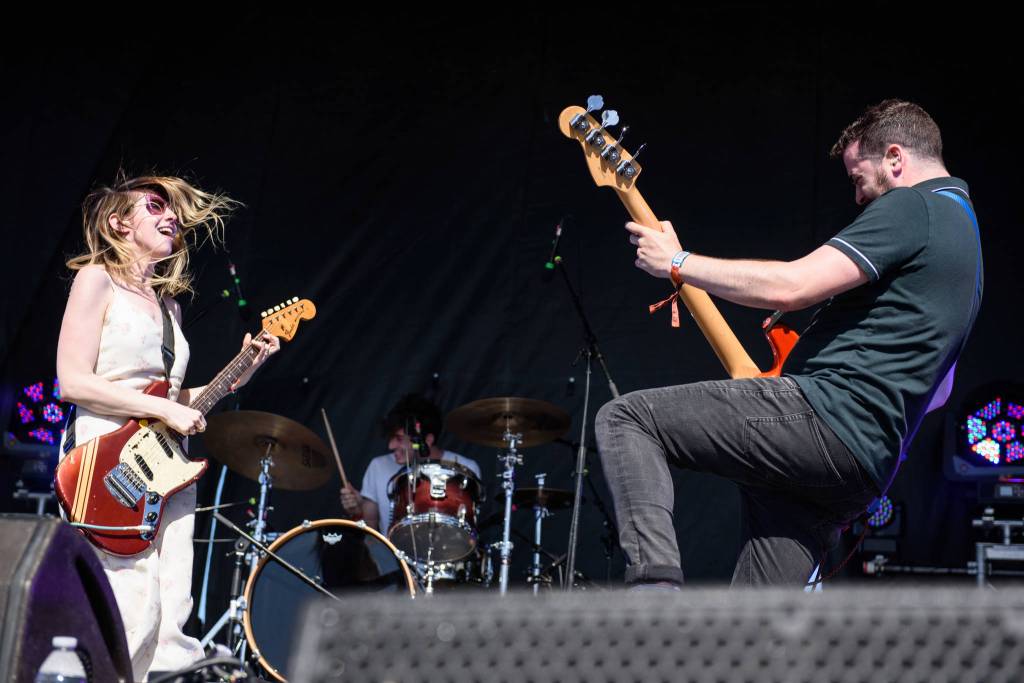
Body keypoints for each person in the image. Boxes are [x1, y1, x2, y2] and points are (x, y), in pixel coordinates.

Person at [595, 99, 983, 588]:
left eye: (858, 178)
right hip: (861, 471)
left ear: (895, 158)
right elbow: (941, 390)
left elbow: (793, 287)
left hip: (827, 418)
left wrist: (677, 260)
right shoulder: (967, 248)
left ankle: (654, 596)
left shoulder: (915, 206)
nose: (859, 198)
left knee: (626, 419)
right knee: (753, 630)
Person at [56, 174, 280, 679]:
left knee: (172, 608)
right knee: (129, 602)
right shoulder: (96, 278)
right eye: (154, 205)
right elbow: (71, 380)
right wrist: (167, 411)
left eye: (173, 209)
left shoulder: (169, 306)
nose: (170, 216)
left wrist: (245, 367)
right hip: (110, 458)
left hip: (165, 463)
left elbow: (176, 398)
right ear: (119, 221)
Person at [340, 393, 480, 535]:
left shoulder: (465, 468)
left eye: (399, 439)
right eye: (391, 437)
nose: (390, 445)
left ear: (427, 440)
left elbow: (468, 532)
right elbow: (370, 529)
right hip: (391, 556)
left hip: (449, 553)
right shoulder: (378, 466)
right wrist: (357, 511)